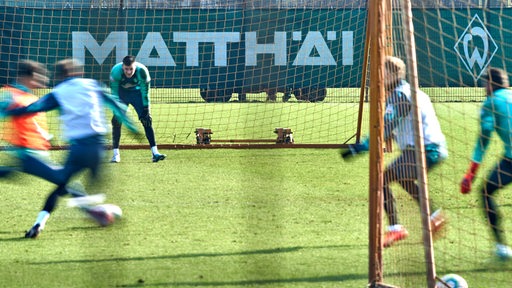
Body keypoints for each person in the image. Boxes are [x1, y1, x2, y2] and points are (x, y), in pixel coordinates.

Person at [2, 58, 139, 238]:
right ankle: (90, 211)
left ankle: (86, 212)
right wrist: (132, 127)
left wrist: (16, 114)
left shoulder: (50, 93)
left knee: (62, 182)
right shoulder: (92, 85)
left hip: (60, 151)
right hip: (85, 150)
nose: (42, 81)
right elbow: (115, 103)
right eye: (39, 77)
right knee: (67, 183)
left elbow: (35, 110)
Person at [342, 56, 448, 248]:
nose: (378, 78)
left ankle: (396, 228)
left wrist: (360, 147)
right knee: (403, 178)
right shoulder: (414, 92)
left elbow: (386, 127)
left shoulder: (399, 95)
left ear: (391, 74)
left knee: (381, 180)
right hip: (435, 149)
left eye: (381, 73)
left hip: (424, 150)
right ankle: (434, 217)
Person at [460, 67, 512, 260]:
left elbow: (483, 140)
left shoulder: (490, 102)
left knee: (486, 191)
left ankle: (501, 247)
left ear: (490, 84)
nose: (484, 86)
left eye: (485, 82)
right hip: (509, 158)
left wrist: (470, 175)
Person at [109, 55, 165, 163]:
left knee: (147, 120)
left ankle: (155, 153)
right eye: (126, 69)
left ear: (135, 66)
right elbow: (114, 92)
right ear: (122, 67)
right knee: (116, 121)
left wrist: (146, 108)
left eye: (131, 69)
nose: (128, 72)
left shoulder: (142, 71)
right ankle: (116, 155)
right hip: (122, 94)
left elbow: (145, 90)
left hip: (137, 93)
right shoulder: (115, 72)